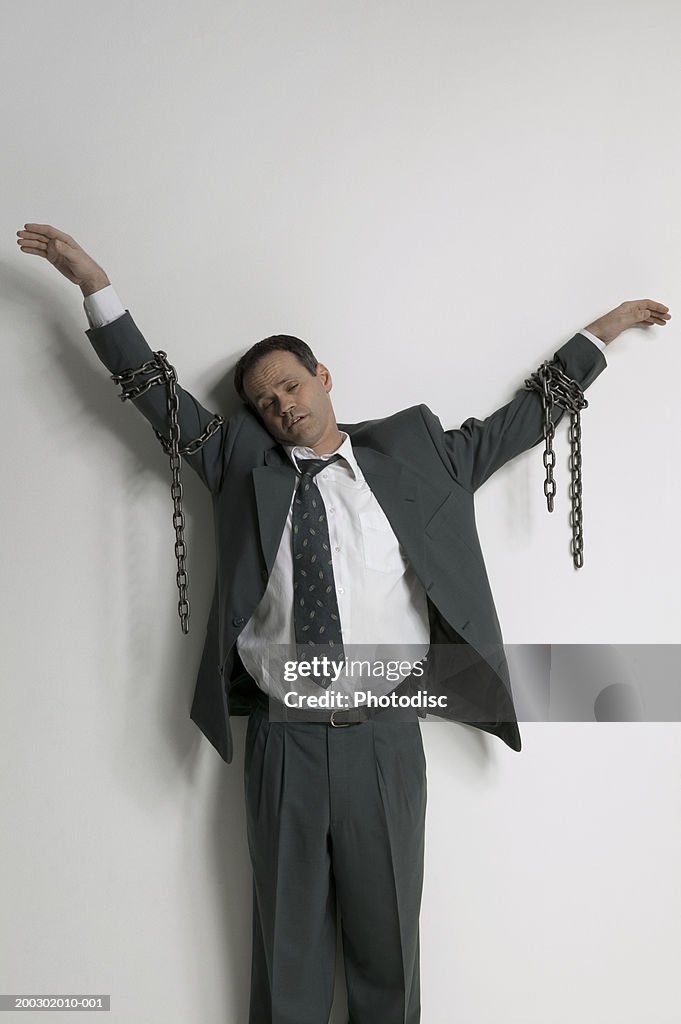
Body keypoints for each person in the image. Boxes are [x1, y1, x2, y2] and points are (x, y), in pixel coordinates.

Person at [16, 222, 671, 1024]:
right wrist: (96, 288)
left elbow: (520, 420)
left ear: (323, 377)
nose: (280, 406)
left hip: (386, 738)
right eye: (263, 401)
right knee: (287, 951)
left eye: (289, 386)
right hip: (282, 740)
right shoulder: (239, 467)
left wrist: (599, 334)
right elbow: (158, 398)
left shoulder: (419, 455)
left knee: (387, 950)